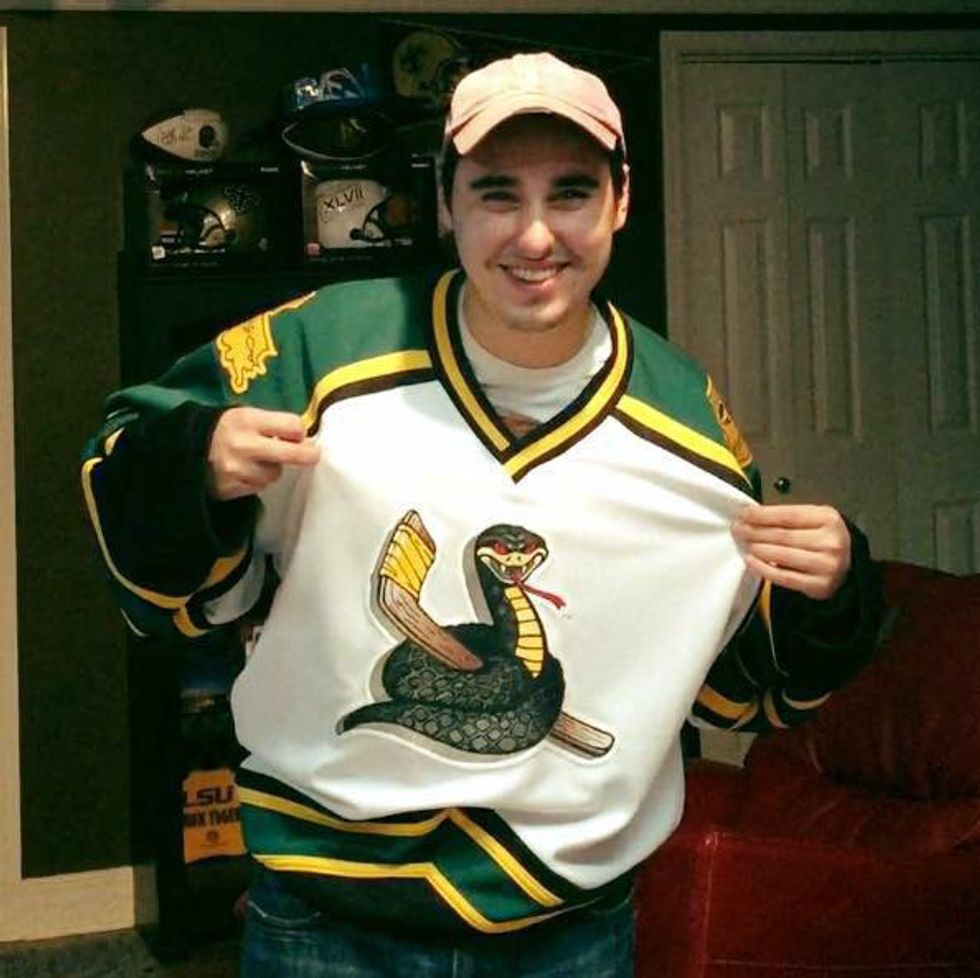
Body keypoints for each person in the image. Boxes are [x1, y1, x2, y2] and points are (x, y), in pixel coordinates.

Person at [83, 52, 881, 978]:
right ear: (446, 202)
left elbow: (739, 684)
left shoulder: (684, 419)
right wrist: (194, 464)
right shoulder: (320, 348)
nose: (535, 236)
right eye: (498, 194)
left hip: (568, 928)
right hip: (325, 913)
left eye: (571, 193)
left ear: (621, 201)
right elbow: (129, 471)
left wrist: (830, 588)